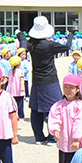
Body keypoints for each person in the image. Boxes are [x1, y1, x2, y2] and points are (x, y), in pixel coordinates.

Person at [26, 16, 70, 144]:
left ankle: (39, 137)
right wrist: (70, 36)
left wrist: (19, 34)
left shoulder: (31, 44)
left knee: (36, 110)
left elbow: (23, 38)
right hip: (50, 80)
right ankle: (52, 137)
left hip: (37, 80)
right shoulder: (49, 45)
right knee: (53, 108)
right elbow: (67, 47)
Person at [50, 75, 82, 163]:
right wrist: (55, 130)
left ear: (77, 89)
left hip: (79, 142)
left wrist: (77, 139)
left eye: (71, 88)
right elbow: (55, 117)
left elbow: (80, 122)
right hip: (66, 142)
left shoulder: (80, 105)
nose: (68, 90)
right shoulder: (59, 105)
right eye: (65, 87)